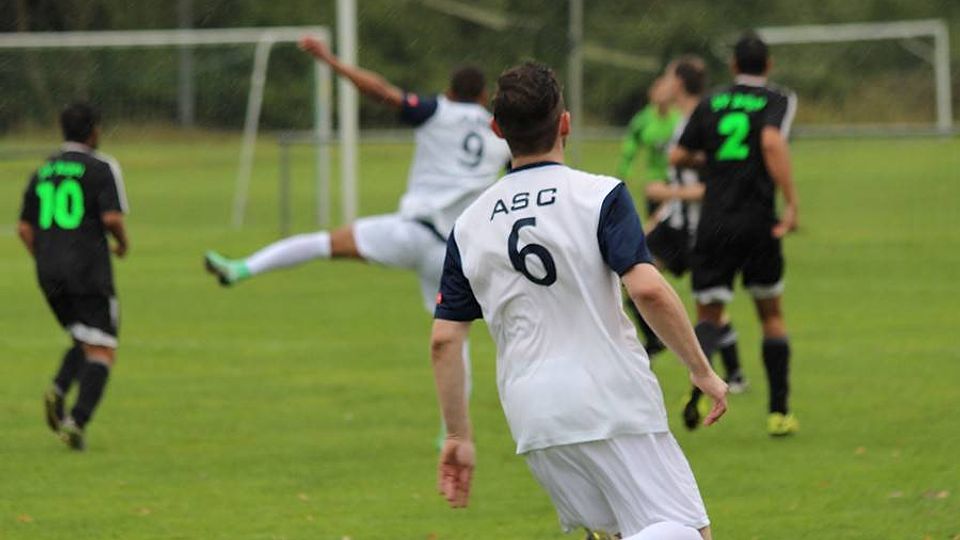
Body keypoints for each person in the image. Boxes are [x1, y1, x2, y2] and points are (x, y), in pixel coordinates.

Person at [431, 62, 727, 539]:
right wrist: (701, 369)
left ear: (497, 131)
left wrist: (458, 435)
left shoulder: (468, 225)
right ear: (564, 123)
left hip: (535, 417)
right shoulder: (599, 196)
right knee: (687, 531)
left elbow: (444, 341)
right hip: (612, 401)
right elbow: (647, 288)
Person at [670, 33, 799, 436]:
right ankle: (779, 413)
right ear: (769, 64)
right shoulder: (778, 99)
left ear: (733, 66)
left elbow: (678, 155)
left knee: (709, 314)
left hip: (715, 221)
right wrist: (791, 201)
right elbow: (771, 141)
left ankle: (698, 390)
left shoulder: (712, 101)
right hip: (758, 220)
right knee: (771, 315)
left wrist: (712, 161)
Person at [17, 102, 130, 450]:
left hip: (48, 271)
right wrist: (123, 244)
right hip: (87, 270)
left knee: (84, 337)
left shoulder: (44, 170)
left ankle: (59, 388)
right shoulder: (101, 167)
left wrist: (47, 259)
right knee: (103, 347)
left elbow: (24, 228)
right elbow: (111, 218)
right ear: (94, 130)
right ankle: (76, 422)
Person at [642, 56, 748, 407]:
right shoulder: (681, 121)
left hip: (703, 229)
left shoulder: (703, 122)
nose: (661, 84)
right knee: (632, 271)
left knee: (710, 306)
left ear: (678, 83)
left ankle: (732, 373)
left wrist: (667, 193)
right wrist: (659, 215)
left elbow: (713, 186)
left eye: (667, 77)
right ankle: (655, 341)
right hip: (676, 224)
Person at [617, 70, 680, 357]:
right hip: (656, 193)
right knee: (644, 268)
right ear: (652, 94)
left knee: (644, 267)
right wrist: (623, 178)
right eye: (659, 89)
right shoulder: (644, 120)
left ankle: (656, 335)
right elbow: (629, 150)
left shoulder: (679, 120)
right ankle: (654, 335)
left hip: (678, 191)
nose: (664, 94)